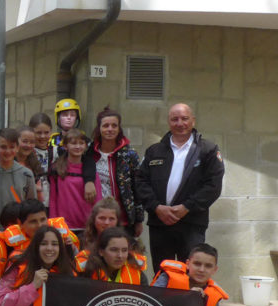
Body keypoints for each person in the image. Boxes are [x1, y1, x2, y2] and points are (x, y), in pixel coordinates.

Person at [135, 103, 225, 266]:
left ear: (193, 121)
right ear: (169, 122)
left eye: (184, 118)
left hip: (192, 223)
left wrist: (186, 207)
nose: (180, 123)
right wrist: (156, 207)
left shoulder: (208, 150)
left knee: (191, 273)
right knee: (163, 273)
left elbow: (213, 186)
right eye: (174, 119)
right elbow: (140, 182)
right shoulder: (154, 151)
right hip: (159, 223)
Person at [90, 106, 144, 238]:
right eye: (106, 125)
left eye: (114, 126)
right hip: (96, 219)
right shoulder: (89, 154)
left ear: (119, 128)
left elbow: (137, 188)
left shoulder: (129, 155)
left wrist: (138, 220)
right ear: (99, 128)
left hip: (123, 220)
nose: (110, 129)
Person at [0, 127, 37, 226]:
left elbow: (32, 205)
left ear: (17, 148)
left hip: (20, 230)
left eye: (12, 147)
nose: (8, 151)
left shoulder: (26, 174)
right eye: (3, 147)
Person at [75, 197, 147, 273]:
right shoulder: (80, 241)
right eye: (102, 218)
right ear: (93, 219)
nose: (106, 223)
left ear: (117, 221)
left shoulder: (130, 244)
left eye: (111, 219)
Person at [49, 129, 100, 232]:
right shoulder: (57, 169)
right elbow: (53, 199)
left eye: (81, 143)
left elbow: (97, 199)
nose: (78, 146)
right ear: (65, 146)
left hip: (86, 225)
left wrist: (96, 223)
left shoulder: (91, 171)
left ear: (86, 146)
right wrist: (53, 223)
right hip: (64, 226)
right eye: (73, 143)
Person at [0, 199, 80, 258]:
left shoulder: (64, 239)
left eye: (43, 220)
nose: (40, 225)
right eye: (33, 221)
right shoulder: (9, 245)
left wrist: (70, 250)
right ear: (20, 223)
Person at [81, 226, 148, 284]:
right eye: (114, 250)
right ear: (101, 251)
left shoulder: (138, 273)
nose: (120, 256)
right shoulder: (86, 273)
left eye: (124, 250)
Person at [29, 113, 54, 206]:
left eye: (46, 132)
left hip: (52, 203)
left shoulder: (57, 152)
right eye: (38, 133)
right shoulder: (26, 152)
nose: (43, 136)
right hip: (33, 203)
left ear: (51, 131)